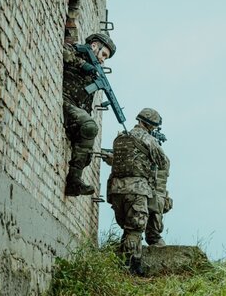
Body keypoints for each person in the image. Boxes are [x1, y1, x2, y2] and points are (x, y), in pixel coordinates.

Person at [107, 108, 169, 275]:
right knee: (134, 229)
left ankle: (130, 265)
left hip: (116, 191)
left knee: (127, 229)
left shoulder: (119, 138)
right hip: (137, 190)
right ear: (151, 125)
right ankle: (130, 269)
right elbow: (163, 162)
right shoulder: (148, 139)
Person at [63, 33, 116, 196]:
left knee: (88, 151)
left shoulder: (94, 71)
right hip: (65, 100)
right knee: (90, 126)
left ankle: (75, 182)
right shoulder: (75, 50)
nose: (103, 60)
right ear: (94, 46)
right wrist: (83, 64)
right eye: (104, 55)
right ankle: (73, 181)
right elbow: (64, 52)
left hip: (77, 111)